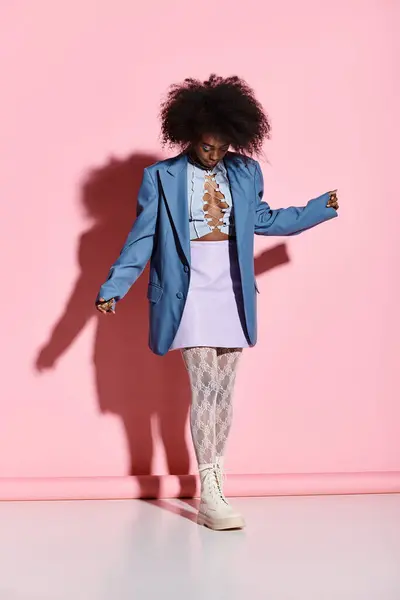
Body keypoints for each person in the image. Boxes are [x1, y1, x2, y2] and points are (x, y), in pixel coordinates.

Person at [96, 74, 339, 531]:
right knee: (203, 385)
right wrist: (113, 287)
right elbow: (141, 239)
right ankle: (209, 494)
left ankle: (216, 481)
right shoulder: (160, 177)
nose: (213, 154)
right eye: (206, 146)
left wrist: (318, 208)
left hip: (230, 290)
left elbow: (264, 220)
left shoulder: (245, 171)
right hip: (186, 293)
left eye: (222, 147)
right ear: (189, 135)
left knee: (224, 392)